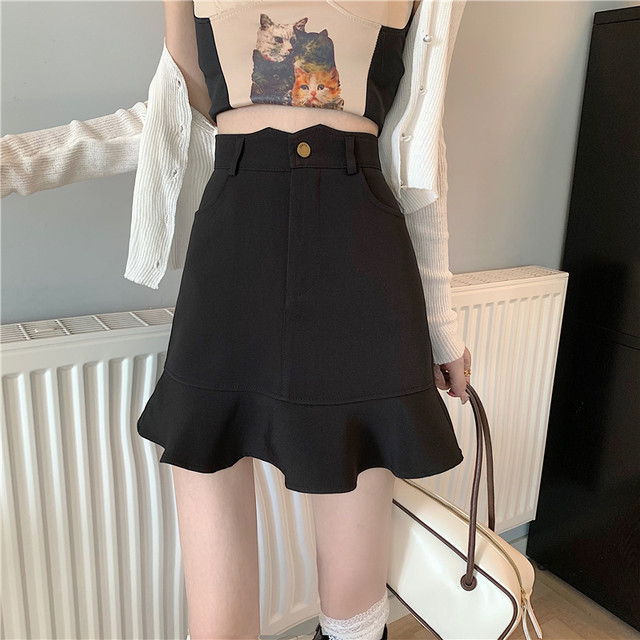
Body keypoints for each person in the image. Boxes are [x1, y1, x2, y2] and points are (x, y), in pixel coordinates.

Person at [1, 2, 472, 639]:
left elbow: (420, 149)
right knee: (218, 611)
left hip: (361, 257)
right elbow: (169, 121)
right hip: (232, 253)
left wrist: (441, 326)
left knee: (355, 606)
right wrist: (13, 162)